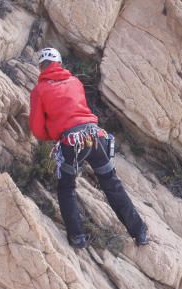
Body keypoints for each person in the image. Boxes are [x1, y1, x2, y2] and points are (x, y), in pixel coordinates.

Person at [28, 47, 149, 249]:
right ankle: (140, 232)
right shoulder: (75, 82)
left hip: (72, 142)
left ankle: (77, 238)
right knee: (111, 183)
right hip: (96, 136)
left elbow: (38, 130)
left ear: (41, 67)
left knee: (67, 189)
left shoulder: (40, 91)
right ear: (59, 63)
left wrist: (56, 134)